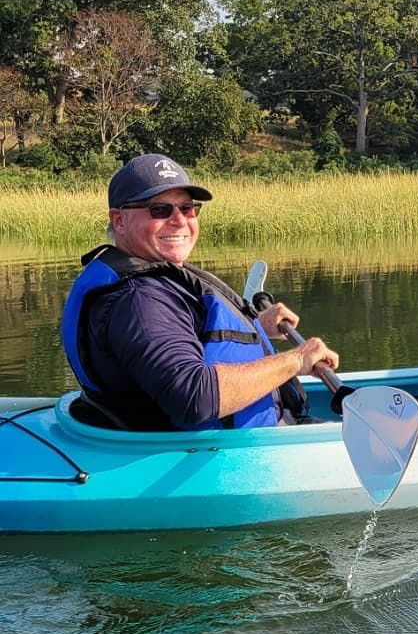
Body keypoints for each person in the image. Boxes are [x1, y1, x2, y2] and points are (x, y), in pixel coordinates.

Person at [61, 153, 340, 430]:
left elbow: (176, 335)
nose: (179, 220)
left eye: (188, 208)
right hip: (227, 457)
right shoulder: (138, 300)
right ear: (119, 220)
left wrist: (256, 328)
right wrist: (297, 359)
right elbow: (195, 397)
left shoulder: (152, 279)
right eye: (160, 209)